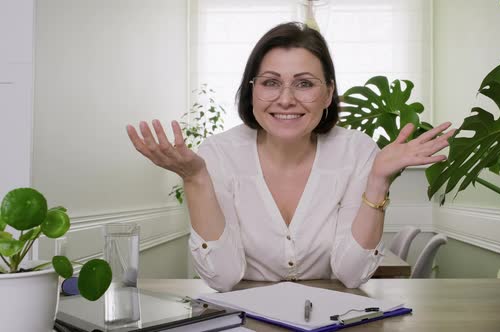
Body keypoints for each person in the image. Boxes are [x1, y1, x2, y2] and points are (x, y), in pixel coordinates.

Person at [126, 22, 453, 292]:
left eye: (304, 84)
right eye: (270, 82)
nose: (286, 99)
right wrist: (195, 178)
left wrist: (378, 181)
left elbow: (352, 275)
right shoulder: (218, 155)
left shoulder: (357, 153)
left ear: (328, 93)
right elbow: (222, 278)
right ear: (251, 90)